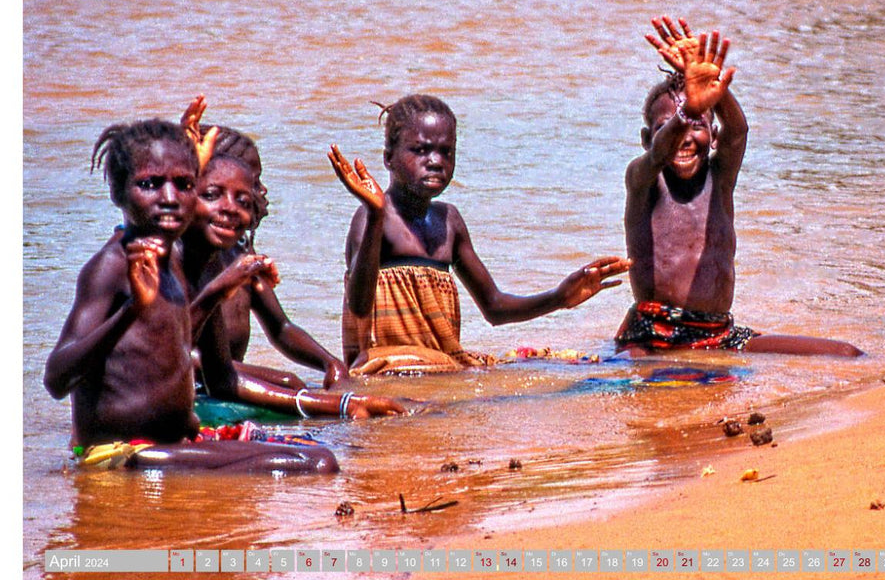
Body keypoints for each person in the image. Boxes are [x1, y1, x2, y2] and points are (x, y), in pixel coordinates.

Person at [43, 118, 339, 472]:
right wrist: (133, 310)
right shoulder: (115, 264)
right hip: (121, 454)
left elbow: (204, 370)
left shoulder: (173, 261)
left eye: (184, 185)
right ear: (119, 193)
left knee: (316, 451)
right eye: (150, 184)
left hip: (168, 445)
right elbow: (57, 379)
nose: (169, 198)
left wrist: (220, 288)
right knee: (318, 464)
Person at [329, 94, 631, 375]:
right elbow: (357, 305)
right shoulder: (371, 219)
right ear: (389, 158)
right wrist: (375, 214)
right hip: (385, 368)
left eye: (446, 151)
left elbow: (495, 307)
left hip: (438, 366)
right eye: (420, 150)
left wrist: (558, 297)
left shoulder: (449, 221)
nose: (435, 161)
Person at [617, 16, 862, 357]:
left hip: (718, 332)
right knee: (627, 373)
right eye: (668, 126)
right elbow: (661, 153)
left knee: (845, 353)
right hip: (652, 335)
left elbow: (738, 132)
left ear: (713, 136)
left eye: (699, 126)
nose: (685, 139)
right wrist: (689, 111)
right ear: (646, 139)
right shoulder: (643, 179)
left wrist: (716, 89)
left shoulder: (719, 179)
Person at [183, 150, 406, 418]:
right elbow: (177, 355)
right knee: (292, 387)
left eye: (243, 196)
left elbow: (280, 328)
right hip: (182, 402)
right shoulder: (168, 261)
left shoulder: (238, 259)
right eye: (212, 194)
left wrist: (332, 367)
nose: (261, 192)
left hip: (217, 387)